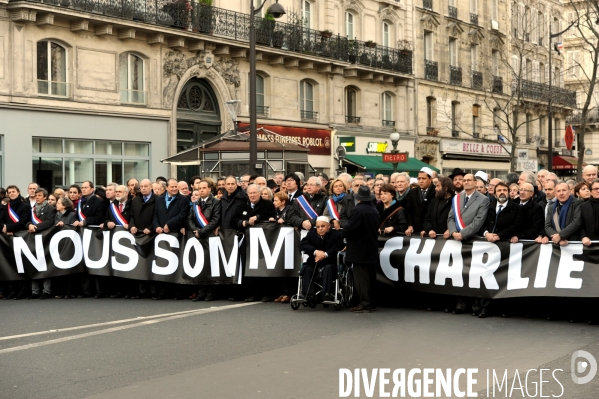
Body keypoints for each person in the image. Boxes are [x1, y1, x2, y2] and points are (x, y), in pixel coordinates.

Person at [476, 181, 522, 318]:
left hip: (505, 247)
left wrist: (499, 236)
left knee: (504, 278)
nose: (502, 192)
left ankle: (504, 309)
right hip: (489, 247)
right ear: (495, 193)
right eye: (499, 190)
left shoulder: (517, 208)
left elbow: (517, 226)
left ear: (508, 193)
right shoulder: (488, 207)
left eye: (504, 190)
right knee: (487, 277)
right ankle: (485, 308)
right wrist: (486, 234)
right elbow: (481, 224)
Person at [233, 184, 275, 302]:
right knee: (249, 267)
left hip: (265, 241)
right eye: (250, 193)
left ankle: (266, 293)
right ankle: (252, 293)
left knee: (263, 267)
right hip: (247, 242)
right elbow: (233, 221)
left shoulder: (267, 204)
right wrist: (243, 223)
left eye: (255, 193)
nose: (252, 195)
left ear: (259, 193)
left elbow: (272, 217)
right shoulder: (241, 206)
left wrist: (258, 217)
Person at [342, 186, 380, 313]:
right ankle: (372, 302)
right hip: (372, 247)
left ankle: (365, 303)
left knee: (361, 278)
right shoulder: (374, 210)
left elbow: (350, 228)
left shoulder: (358, 210)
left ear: (359, 199)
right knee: (371, 277)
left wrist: (341, 232)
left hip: (359, 248)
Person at [298, 216, 344, 304]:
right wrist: (315, 252)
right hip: (314, 261)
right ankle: (309, 295)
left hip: (331, 261)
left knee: (328, 268)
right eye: (318, 227)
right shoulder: (312, 233)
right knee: (307, 269)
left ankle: (326, 294)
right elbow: (302, 244)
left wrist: (325, 254)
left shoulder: (336, 234)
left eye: (323, 226)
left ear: (328, 226)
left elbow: (338, 246)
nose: (320, 229)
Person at [188, 180, 221, 302]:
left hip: (210, 237)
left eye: (204, 188)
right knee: (199, 264)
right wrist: (195, 230)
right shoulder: (196, 203)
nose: (201, 190)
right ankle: (201, 292)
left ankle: (211, 292)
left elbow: (215, 219)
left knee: (210, 265)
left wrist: (202, 232)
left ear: (209, 189)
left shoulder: (216, 202)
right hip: (198, 237)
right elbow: (190, 219)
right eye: (199, 188)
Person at [1, 185, 31, 299]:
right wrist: (4, 228)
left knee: (21, 265)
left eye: (13, 191)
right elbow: (1, 220)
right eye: (9, 192)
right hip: (7, 239)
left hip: (20, 238)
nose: (11, 193)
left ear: (18, 192)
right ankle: (11, 290)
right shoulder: (5, 207)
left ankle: (22, 290)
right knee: (10, 265)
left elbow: (23, 222)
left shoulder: (25, 206)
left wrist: (9, 228)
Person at [27, 188, 57, 299]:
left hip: (45, 239)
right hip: (33, 240)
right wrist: (29, 224)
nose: (37, 197)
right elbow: (27, 220)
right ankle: (35, 291)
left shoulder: (50, 209)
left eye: (39, 195)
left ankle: (46, 291)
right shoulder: (32, 208)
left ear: (45, 197)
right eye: (36, 195)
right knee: (34, 264)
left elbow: (49, 221)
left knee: (45, 265)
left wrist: (36, 227)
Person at [404, 167, 436, 237]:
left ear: (430, 179)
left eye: (423, 178)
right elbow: (409, 210)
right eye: (419, 178)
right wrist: (410, 225)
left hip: (430, 231)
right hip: (414, 230)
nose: (421, 181)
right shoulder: (413, 192)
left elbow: (435, 214)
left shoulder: (436, 192)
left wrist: (428, 228)